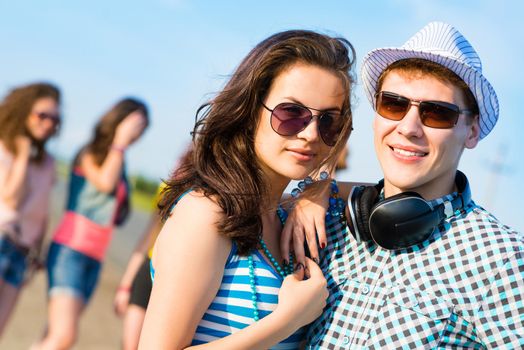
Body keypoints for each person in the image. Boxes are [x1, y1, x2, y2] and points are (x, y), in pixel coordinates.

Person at [284, 22, 524, 348]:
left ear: (471, 131)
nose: (408, 128)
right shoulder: (327, 223)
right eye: (394, 104)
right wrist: (315, 190)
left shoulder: (503, 259)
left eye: (438, 113)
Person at [138, 29, 356, 349]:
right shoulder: (206, 213)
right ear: (252, 110)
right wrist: (287, 321)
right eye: (292, 113)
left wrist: (322, 189)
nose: (310, 134)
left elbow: (398, 194)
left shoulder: (285, 214)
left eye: (328, 122)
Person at [33, 98, 149, 350]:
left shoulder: (121, 162)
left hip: (94, 259)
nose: (138, 134)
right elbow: (106, 183)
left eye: (142, 129)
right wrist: (119, 141)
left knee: (53, 334)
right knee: (64, 336)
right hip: (70, 250)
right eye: (136, 125)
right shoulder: (90, 152)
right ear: (120, 120)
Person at [0, 82, 61, 336]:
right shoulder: (4, 147)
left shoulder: (48, 162)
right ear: (25, 110)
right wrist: (23, 154)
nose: (48, 124)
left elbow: (42, 210)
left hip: (22, 253)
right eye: (42, 115)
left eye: (55, 119)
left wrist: (37, 251)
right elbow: (11, 199)